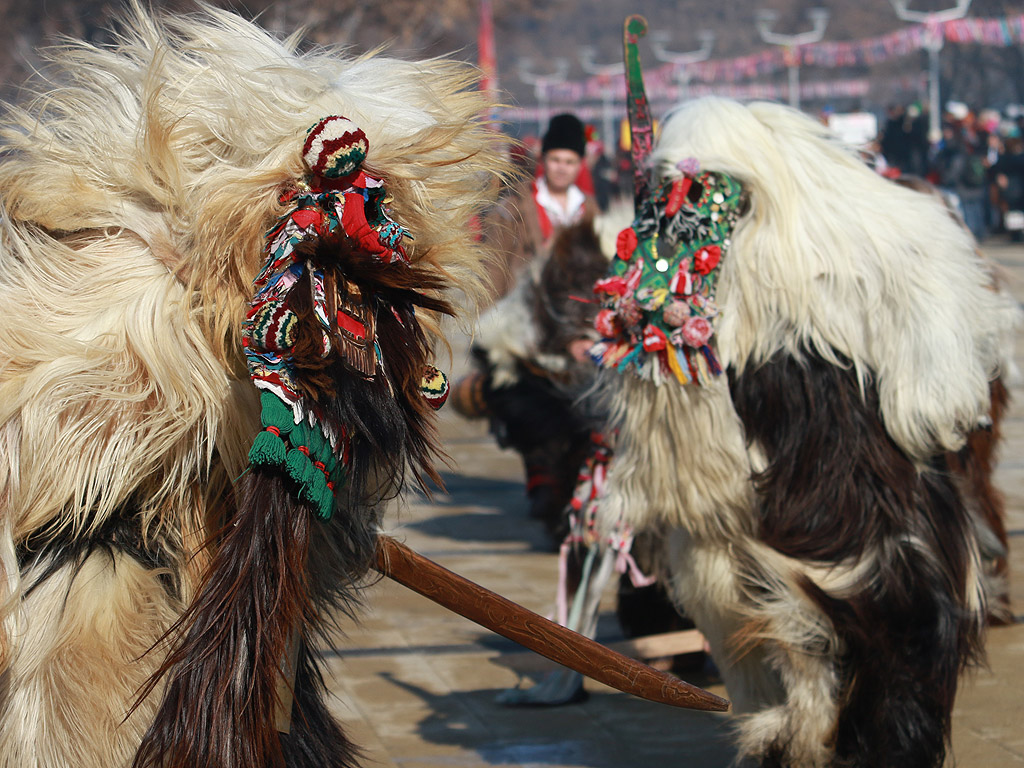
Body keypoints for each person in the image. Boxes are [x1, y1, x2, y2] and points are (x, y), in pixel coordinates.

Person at [483, 113, 598, 300]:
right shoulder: (514, 207)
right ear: (543, 159)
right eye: (555, 160)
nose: (562, 168)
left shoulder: (589, 209)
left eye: (569, 162)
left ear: (580, 165)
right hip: (525, 305)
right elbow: (493, 267)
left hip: (577, 308)